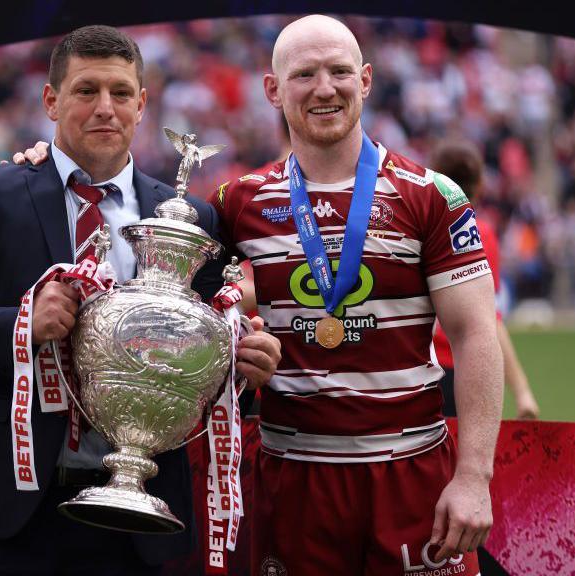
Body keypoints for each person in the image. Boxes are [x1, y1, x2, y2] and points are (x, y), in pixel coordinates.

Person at [0, 25, 281, 575]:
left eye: (121, 93)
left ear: (142, 104)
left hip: (140, 524)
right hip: (1, 511)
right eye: (86, 90)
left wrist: (244, 364)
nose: (106, 107)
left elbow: (205, 360)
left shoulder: (190, 220)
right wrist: (23, 322)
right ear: (51, 100)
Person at [209, 15, 503, 575]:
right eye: (305, 75)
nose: (325, 88)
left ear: (365, 80)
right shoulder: (235, 203)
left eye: (340, 71)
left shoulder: (432, 196)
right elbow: (188, 316)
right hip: (293, 476)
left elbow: (475, 335)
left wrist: (473, 477)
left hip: (412, 472)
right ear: (273, 90)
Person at [428, 140, 540, 420]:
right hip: (465, 368)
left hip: (419, 369)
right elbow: (491, 318)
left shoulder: (417, 230)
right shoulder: (480, 234)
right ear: (479, 187)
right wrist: (523, 390)